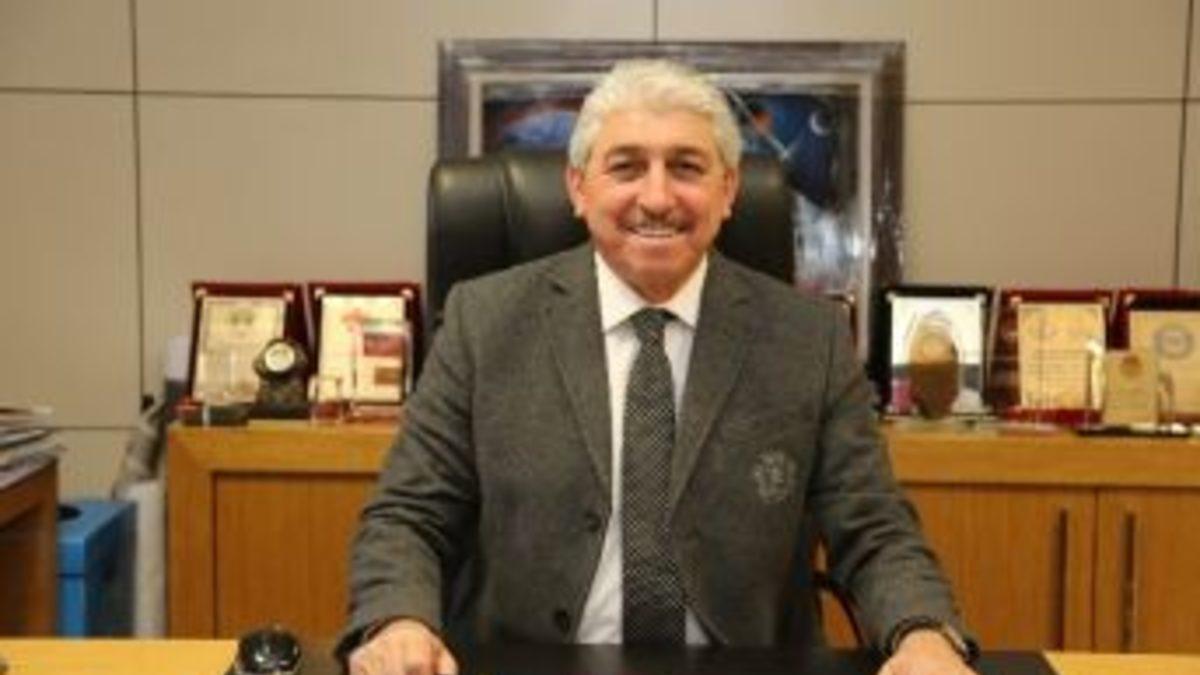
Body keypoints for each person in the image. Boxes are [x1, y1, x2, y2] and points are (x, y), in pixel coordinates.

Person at [340, 59, 977, 675]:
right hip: (529, 663)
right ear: (578, 188)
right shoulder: (484, 321)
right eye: (626, 167)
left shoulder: (810, 339)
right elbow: (408, 514)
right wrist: (398, 622)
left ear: (728, 190)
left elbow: (873, 527)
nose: (657, 197)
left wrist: (923, 635)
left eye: (686, 167)